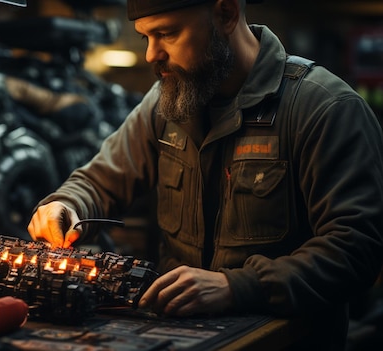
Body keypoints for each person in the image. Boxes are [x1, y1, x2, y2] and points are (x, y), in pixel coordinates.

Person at [27, 0, 383, 349]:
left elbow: (355, 250)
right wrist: (66, 203)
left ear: (225, 12)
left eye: (166, 33)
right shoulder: (166, 102)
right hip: (177, 337)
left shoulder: (324, 108)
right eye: (145, 38)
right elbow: (98, 181)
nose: (151, 54)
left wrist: (237, 287)